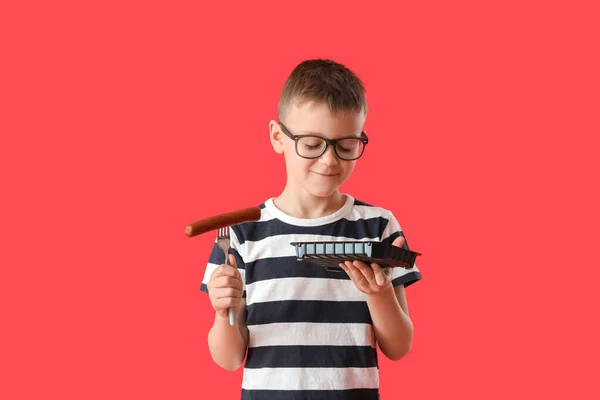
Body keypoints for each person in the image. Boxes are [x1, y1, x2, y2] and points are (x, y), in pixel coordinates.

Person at [200, 58, 422, 400]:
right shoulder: (243, 235)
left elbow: (399, 347)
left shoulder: (378, 226)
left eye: (346, 146)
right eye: (312, 144)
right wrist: (222, 312)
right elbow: (229, 359)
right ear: (278, 137)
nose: (330, 160)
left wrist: (379, 295)